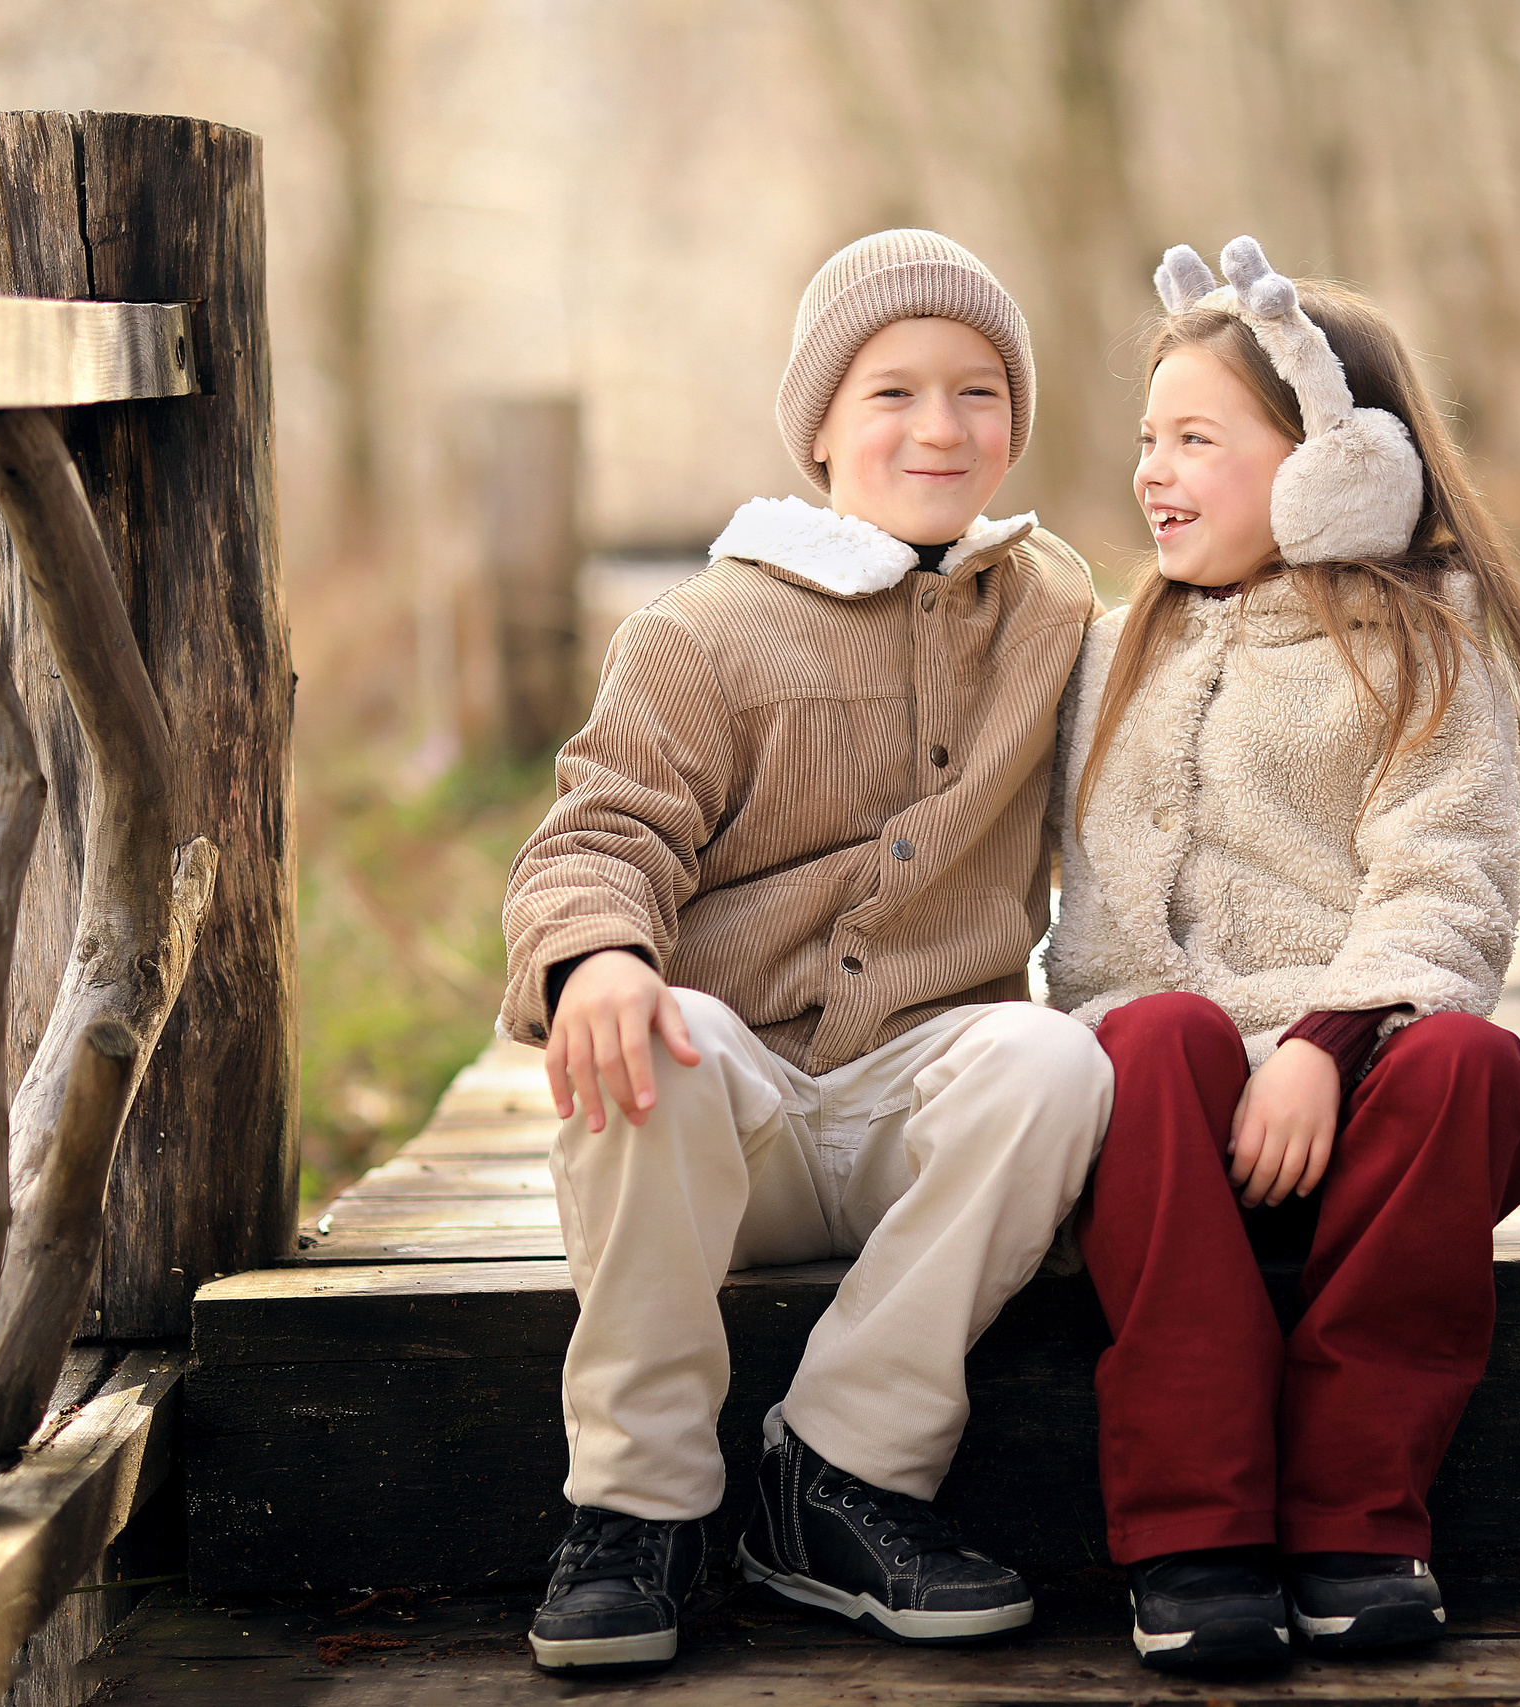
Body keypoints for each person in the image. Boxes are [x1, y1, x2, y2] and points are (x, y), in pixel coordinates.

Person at [503, 229, 1111, 1676]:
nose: (939, 427)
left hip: (920, 1098)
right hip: (741, 1120)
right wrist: (597, 959)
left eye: (977, 393)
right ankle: (637, 1507)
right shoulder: (701, 634)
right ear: (823, 424)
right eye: (892, 392)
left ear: (1016, 424)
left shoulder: (1059, 619)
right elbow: (592, 838)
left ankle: (837, 1472)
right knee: (658, 1034)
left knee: (1051, 1058)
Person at [1045, 237, 1520, 1670]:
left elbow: (1448, 887)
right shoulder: (1112, 658)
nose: (1150, 474)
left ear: (1329, 464)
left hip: (1353, 1100)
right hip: (1164, 1130)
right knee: (1147, 1036)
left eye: (1196, 440)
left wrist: (1323, 1045)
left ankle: (1360, 1517)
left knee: (1473, 1064)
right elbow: (1104, 947)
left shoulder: (1425, 652)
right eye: (1145, 439)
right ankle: (1197, 1532)